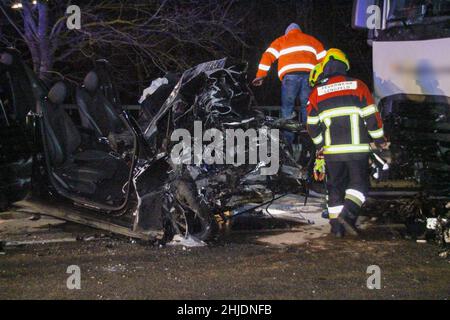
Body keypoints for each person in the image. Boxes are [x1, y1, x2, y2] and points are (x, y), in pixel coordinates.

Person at [306, 48, 388, 237]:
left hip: (332, 152)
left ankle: (336, 228)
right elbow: (372, 118)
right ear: (344, 66)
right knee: (359, 186)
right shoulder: (358, 86)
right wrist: (380, 140)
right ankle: (347, 216)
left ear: (325, 68)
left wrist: (320, 145)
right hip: (356, 150)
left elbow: (311, 126)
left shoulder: (317, 92)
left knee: (335, 187)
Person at [253, 23, 326, 145]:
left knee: (287, 109)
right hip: (309, 77)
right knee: (307, 108)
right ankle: (308, 141)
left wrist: (260, 75)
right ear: (299, 31)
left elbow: (268, 56)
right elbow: (324, 59)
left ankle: (288, 143)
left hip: (290, 78)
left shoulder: (282, 40)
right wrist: (325, 78)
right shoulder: (311, 40)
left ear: (287, 32)